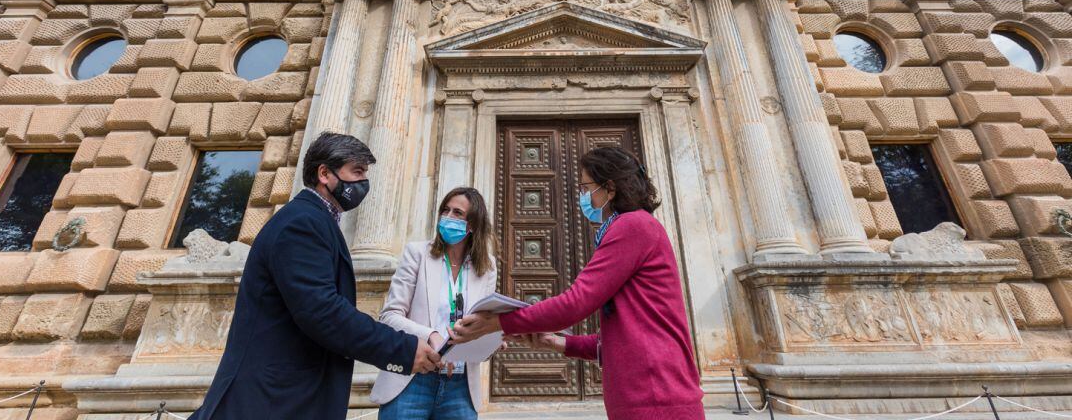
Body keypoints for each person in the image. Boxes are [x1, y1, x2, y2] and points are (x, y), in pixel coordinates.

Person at [189, 132, 442, 420]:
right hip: (273, 399)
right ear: (324, 173)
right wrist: (403, 350)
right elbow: (323, 312)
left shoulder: (313, 220)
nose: (363, 183)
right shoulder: (303, 223)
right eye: (356, 172)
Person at [450, 147, 704, 420]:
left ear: (609, 188)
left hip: (656, 398)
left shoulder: (632, 226)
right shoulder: (635, 227)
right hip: (648, 395)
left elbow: (576, 303)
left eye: (586, 187)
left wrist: (499, 322)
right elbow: (623, 340)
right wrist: (558, 344)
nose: (583, 197)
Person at [371, 186, 497, 420]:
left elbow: (480, 325)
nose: (447, 217)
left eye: (457, 213)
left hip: (460, 389)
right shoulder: (417, 253)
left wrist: (492, 339)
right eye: (445, 210)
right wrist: (431, 335)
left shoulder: (487, 267)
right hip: (411, 381)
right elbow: (389, 316)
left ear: (473, 225)